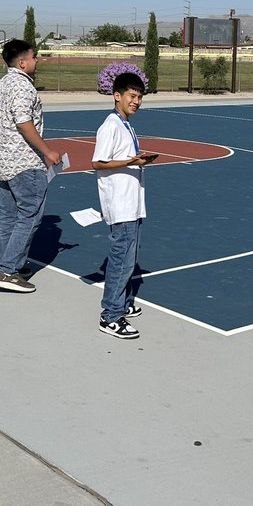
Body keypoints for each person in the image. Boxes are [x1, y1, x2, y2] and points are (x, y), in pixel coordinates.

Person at [0, 39, 62, 293]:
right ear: (22, 62)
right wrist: (47, 151)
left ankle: (9, 264)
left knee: (8, 216)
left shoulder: (1, 84)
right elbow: (23, 121)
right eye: (34, 57)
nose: (37, 60)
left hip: (3, 160)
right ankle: (8, 270)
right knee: (29, 214)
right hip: (23, 161)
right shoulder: (21, 86)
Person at [92, 71, 159, 339]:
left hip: (132, 203)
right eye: (132, 96)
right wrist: (132, 162)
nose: (137, 101)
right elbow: (98, 162)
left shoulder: (125, 124)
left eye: (140, 97)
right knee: (121, 258)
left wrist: (136, 160)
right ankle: (110, 315)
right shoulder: (110, 126)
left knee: (129, 257)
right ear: (116, 96)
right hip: (120, 204)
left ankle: (123, 302)